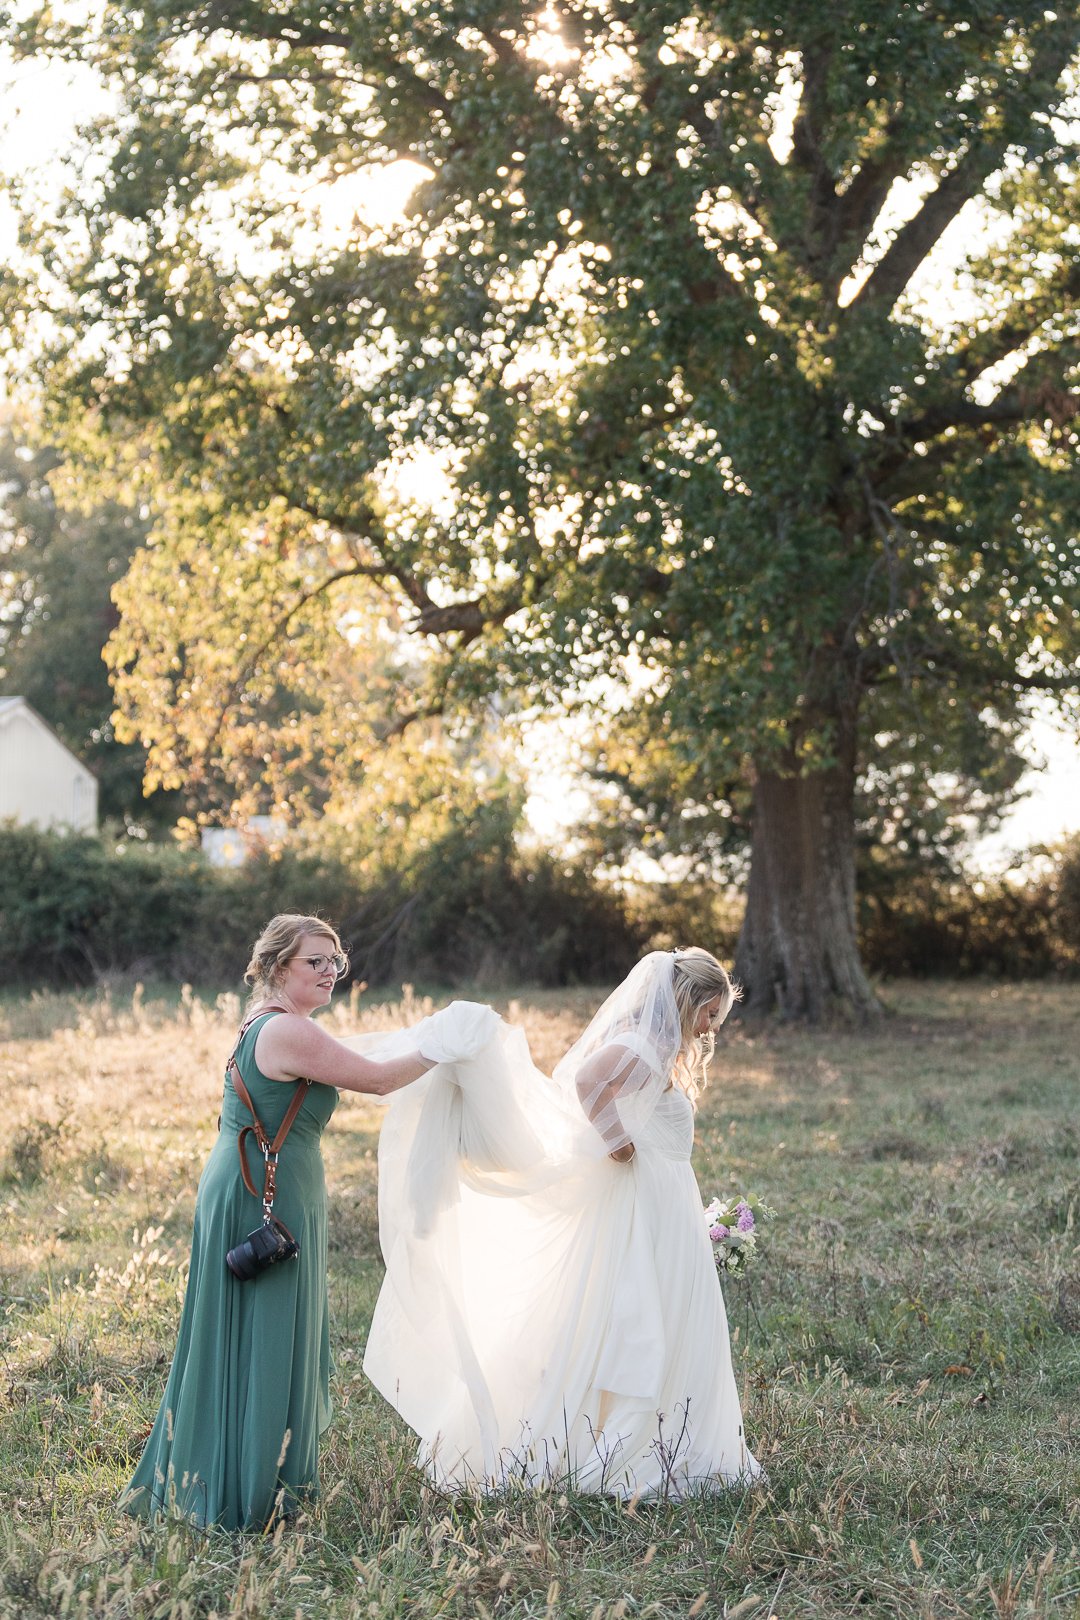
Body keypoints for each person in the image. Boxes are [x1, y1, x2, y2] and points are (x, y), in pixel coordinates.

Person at [121, 913, 494, 1532]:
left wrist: (424, 1040)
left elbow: (358, 1058)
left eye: (335, 961)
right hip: (263, 1194)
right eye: (314, 962)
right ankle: (245, 1494)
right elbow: (375, 1079)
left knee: (256, 1329)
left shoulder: (272, 1023)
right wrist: (445, 1042)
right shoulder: (287, 1031)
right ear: (275, 967)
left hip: (258, 1183)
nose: (329, 973)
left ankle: (245, 1472)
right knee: (266, 1333)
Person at [355, 948, 761, 1497]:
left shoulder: (659, 1047)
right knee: (636, 1312)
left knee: (653, 1312)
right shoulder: (642, 1044)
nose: (711, 1027)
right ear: (686, 1000)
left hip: (664, 1196)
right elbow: (591, 1082)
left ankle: (664, 1436)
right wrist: (617, 1143)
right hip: (644, 1196)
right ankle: (622, 1443)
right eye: (710, 1013)